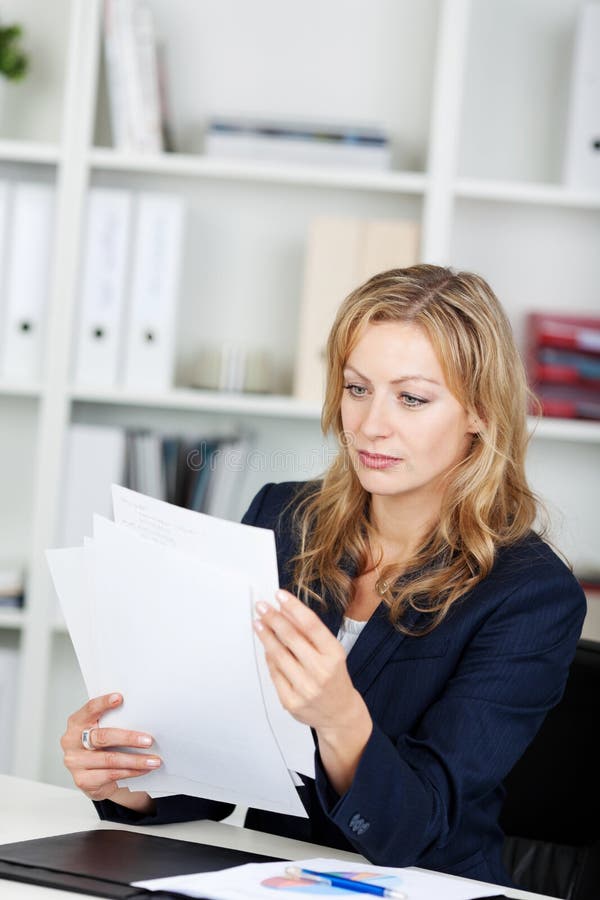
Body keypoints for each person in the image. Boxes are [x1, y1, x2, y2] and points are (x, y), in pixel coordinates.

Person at [61, 264, 585, 888]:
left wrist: (339, 717)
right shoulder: (283, 517)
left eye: (412, 398)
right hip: (259, 876)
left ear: (478, 410)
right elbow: (219, 770)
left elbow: (416, 826)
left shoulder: (530, 594)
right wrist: (129, 781)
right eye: (357, 388)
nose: (369, 425)